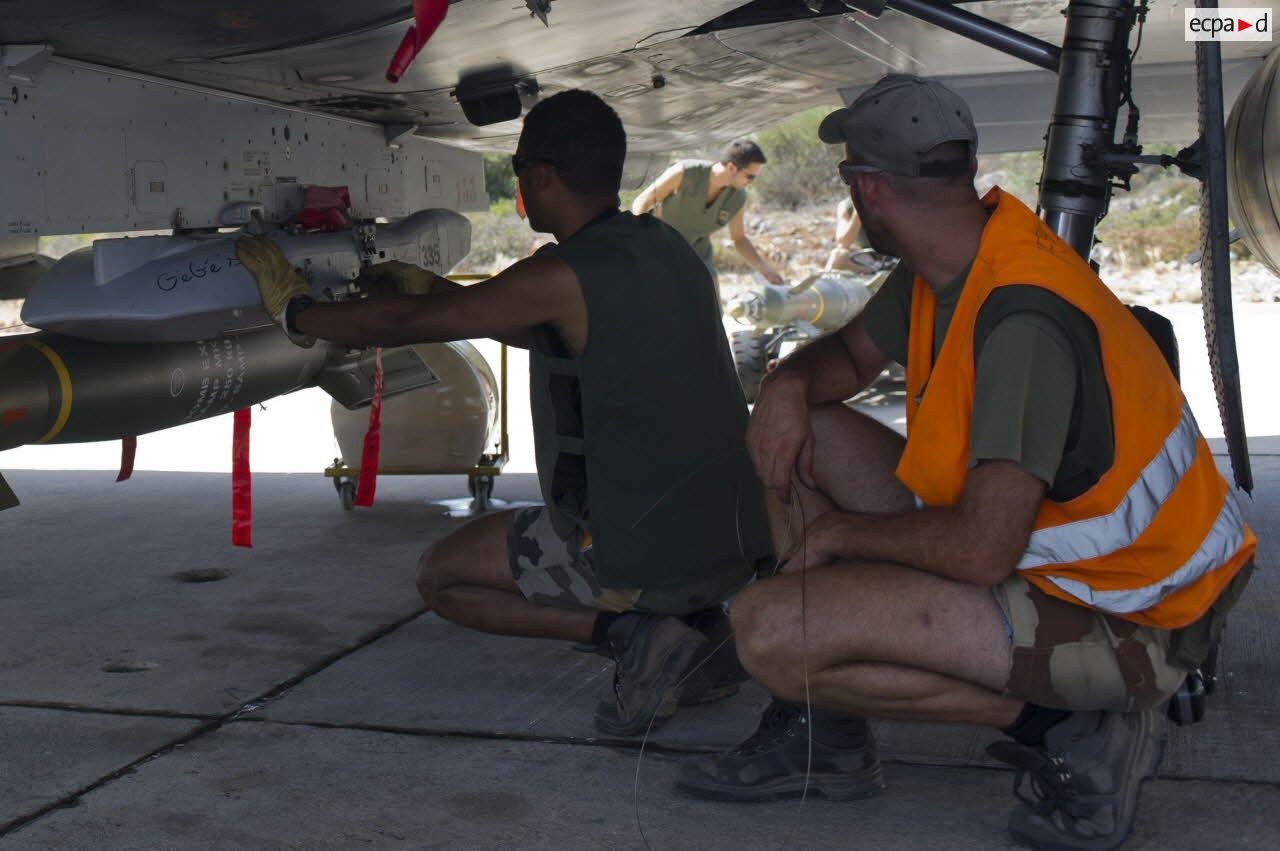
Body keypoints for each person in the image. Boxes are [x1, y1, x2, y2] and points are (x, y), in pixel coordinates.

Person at [677, 74, 1257, 851]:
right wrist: (784, 387)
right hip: (1057, 563)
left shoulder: (1020, 317)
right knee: (806, 428)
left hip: (1137, 617)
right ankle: (830, 736)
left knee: (772, 633)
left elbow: (982, 548)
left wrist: (844, 537)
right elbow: (847, 356)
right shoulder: (952, 262)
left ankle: (1078, 727)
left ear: (866, 187)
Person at [237, 89, 771, 737]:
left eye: (519, 170)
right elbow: (555, 332)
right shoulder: (664, 249)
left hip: (639, 550)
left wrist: (297, 311)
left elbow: (411, 323)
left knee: (443, 577)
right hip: (730, 540)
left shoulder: (563, 272)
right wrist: (434, 287)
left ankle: (637, 632)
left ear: (540, 177)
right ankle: (704, 633)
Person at [631, 140, 785, 290]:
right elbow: (642, 202)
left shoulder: (738, 197)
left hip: (698, 258)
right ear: (731, 167)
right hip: (660, 250)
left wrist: (766, 270)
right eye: (750, 176)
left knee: (712, 311)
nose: (752, 182)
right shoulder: (685, 173)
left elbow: (739, 239)